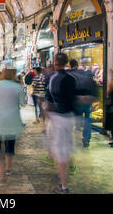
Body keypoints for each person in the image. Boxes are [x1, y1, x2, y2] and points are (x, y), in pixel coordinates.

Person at [45, 53, 78, 194]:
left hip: (58, 118)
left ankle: (64, 186)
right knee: (67, 148)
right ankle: (66, 173)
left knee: (60, 153)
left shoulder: (53, 79)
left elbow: (49, 101)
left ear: (55, 63)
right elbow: (75, 98)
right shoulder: (72, 79)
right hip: (70, 117)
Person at [0, 69, 25, 182]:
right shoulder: (17, 87)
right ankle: (8, 169)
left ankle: (1, 173)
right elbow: (23, 102)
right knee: (9, 145)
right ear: (13, 75)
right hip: (12, 120)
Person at [67, 59, 98, 147]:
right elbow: (93, 83)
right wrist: (94, 98)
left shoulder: (70, 74)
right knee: (87, 119)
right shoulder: (85, 73)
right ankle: (86, 140)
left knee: (73, 118)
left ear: (70, 65)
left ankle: (69, 139)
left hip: (77, 99)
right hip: (88, 99)